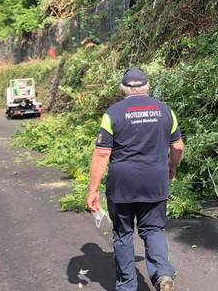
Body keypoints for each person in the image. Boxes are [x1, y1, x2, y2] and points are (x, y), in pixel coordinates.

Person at [86, 68, 185, 291]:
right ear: (147, 86)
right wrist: (172, 167)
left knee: (123, 233)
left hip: (122, 184)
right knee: (153, 230)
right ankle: (163, 275)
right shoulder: (165, 110)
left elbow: (102, 153)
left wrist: (93, 189)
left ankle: (127, 286)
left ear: (123, 88)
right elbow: (178, 146)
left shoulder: (113, 113)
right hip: (155, 181)